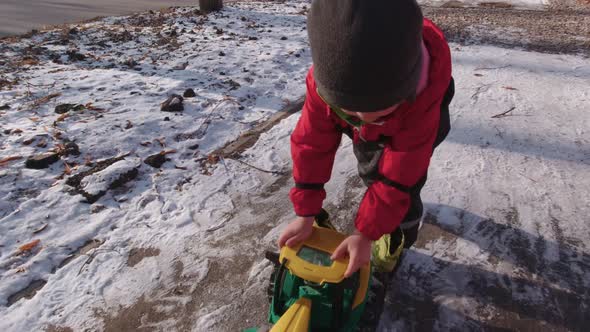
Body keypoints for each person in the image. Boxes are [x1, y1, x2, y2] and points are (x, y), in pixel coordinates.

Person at [278, 0, 455, 278]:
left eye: (379, 108)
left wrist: (366, 234)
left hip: (414, 125)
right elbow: (311, 145)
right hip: (386, 108)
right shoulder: (324, 88)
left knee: (403, 186)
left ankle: (399, 235)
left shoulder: (422, 100)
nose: (364, 116)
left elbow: (399, 176)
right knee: (371, 165)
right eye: (349, 108)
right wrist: (306, 212)